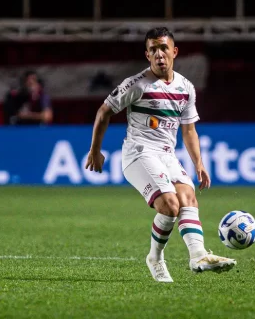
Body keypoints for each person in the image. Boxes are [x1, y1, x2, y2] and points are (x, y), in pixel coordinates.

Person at [84, 27, 236, 283]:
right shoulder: (136, 84)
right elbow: (104, 113)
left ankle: (198, 255)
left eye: (163, 48)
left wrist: (199, 163)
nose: (159, 54)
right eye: (153, 50)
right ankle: (155, 258)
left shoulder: (185, 87)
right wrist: (95, 150)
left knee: (188, 197)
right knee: (169, 204)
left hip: (167, 154)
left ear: (174, 52)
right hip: (138, 153)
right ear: (147, 55)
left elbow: (189, 130)